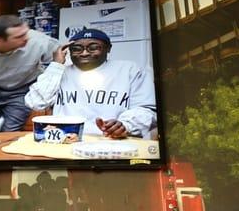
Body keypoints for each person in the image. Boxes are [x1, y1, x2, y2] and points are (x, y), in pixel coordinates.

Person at [25, 29, 157, 139]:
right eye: (77, 49)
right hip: (65, 141)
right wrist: (56, 65)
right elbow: (36, 103)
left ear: (108, 48)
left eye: (93, 48)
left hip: (113, 142)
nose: (84, 53)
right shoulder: (60, 72)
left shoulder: (129, 70)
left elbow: (147, 110)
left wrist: (126, 125)